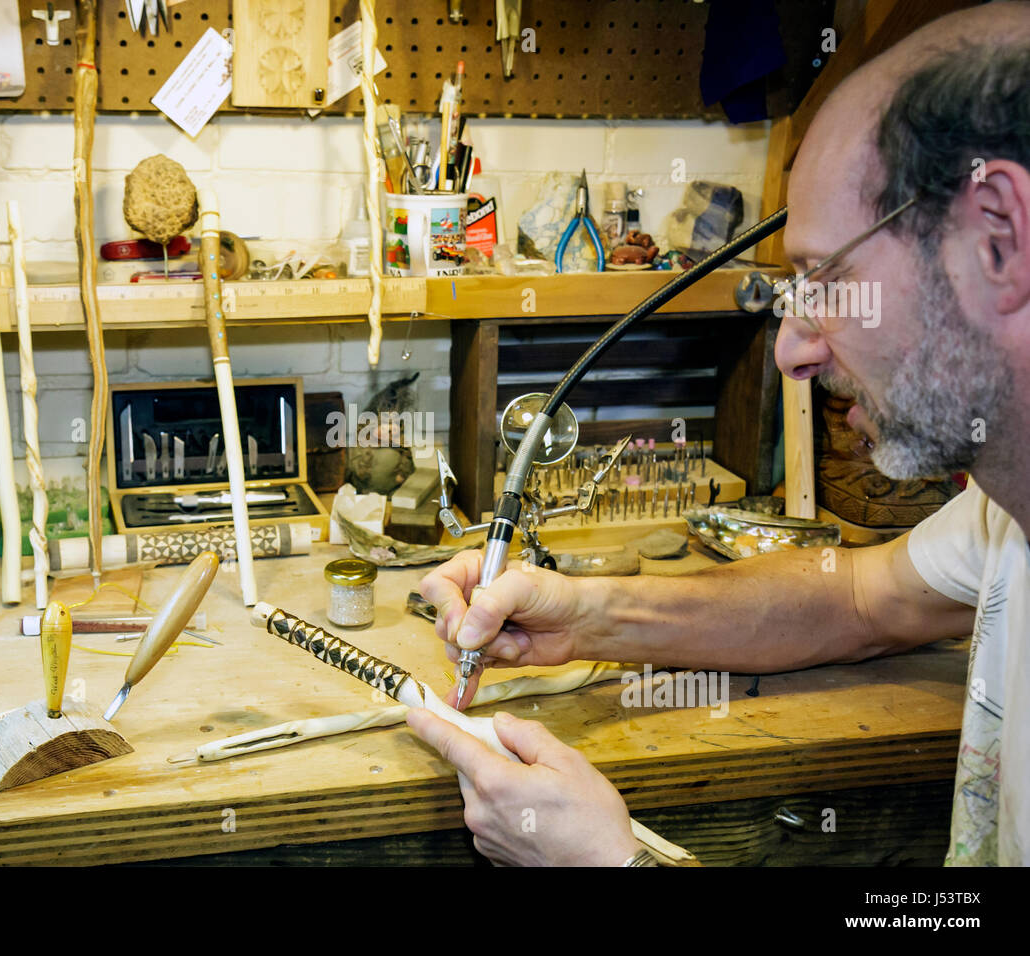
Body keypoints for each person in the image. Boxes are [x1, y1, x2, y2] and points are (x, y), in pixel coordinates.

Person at [406, 2, 1030, 866]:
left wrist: (613, 865)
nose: (791, 351)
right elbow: (859, 600)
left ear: (1000, 233)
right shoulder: (1007, 509)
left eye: (827, 281)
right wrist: (583, 616)